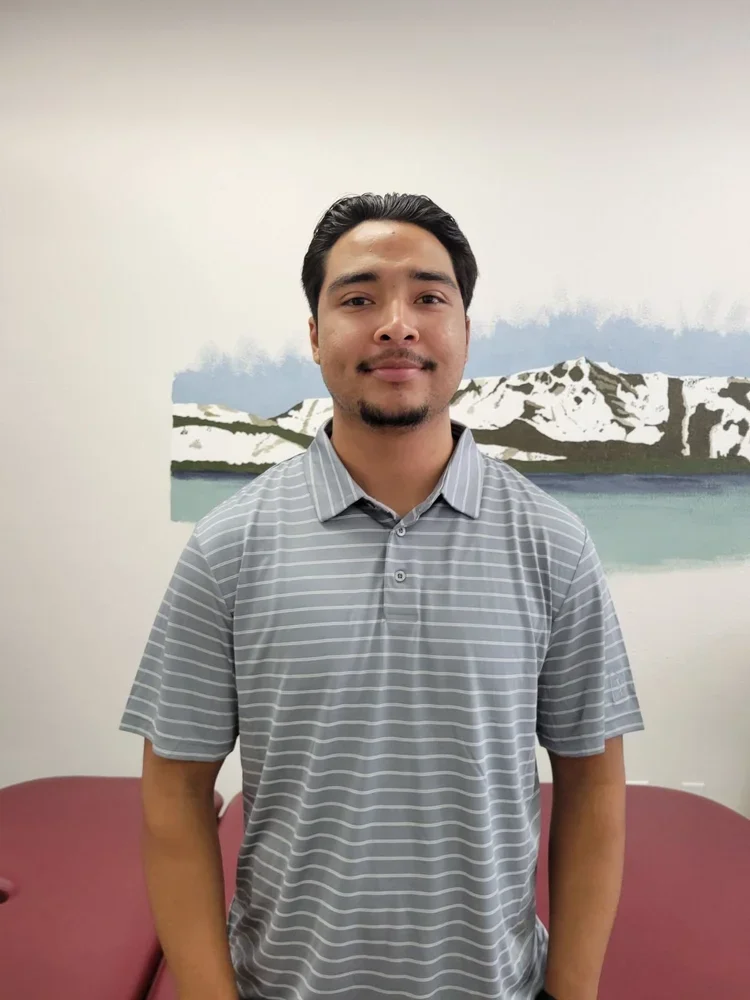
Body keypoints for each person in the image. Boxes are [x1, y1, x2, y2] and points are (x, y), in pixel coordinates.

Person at [121, 192, 645, 1000]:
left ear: (465, 332)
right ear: (314, 333)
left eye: (429, 297)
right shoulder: (227, 546)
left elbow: (594, 785)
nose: (396, 323)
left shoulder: (554, 544)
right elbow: (173, 796)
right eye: (358, 298)